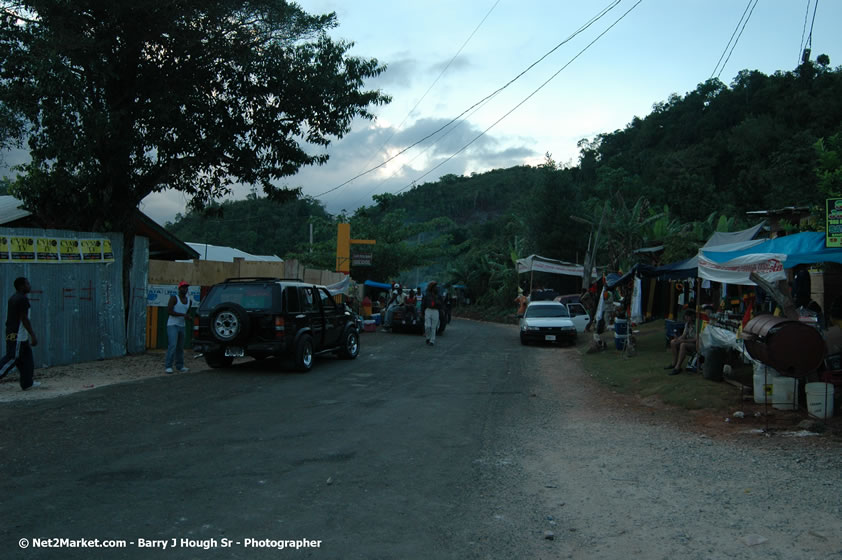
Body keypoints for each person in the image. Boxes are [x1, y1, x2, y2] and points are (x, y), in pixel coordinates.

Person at [0, 277, 40, 390]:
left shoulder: (14, 297)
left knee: (27, 360)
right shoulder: (22, 299)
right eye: (27, 284)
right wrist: (33, 335)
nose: (29, 286)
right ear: (21, 286)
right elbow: (24, 318)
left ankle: (27, 383)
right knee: (12, 357)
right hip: (17, 334)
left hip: (18, 334)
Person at [165, 281, 192, 374]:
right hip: (172, 325)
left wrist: (188, 317)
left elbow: (187, 312)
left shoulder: (189, 300)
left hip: (182, 326)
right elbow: (169, 311)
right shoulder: (174, 298)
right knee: (172, 345)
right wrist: (183, 315)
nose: (185, 289)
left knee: (180, 347)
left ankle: (180, 366)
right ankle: (168, 366)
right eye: (183, 287)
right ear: (179, 288)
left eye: (186, 287)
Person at [666, 309, 697, 376]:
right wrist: (678, 339)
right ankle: (674, 363)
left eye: (687, 316)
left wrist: (683, 341)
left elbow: (696, 339)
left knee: (683, 344)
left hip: (695, 345)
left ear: (692, 317)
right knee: (673, 342)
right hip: (687, 342)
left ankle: (678, 367)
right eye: (685, 316)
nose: (686, 318)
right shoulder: (687, 324)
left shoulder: (697, 325)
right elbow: (684, 335)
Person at [422, 281, 441, 346]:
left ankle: (432, 340)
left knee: (433, 327)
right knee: (428, 326)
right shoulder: (427, 295)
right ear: (432, 287)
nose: (436, 288)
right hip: (428, 310)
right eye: (434, 286)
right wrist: (422, 312)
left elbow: (442, 304)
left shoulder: (438, 295)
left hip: (435, 311)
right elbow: (423, 304)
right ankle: (428, 337)